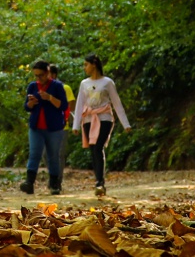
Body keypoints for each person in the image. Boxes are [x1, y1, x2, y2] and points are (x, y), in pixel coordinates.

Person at [74, 54, 131, 197]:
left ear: (94, 64)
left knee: (98, 147)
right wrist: (76, 125)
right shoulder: (84, 83)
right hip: (88, 119)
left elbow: (116, 103)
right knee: (93, 149)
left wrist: (125, 123)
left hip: (104, 118)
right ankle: (98, 181)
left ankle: (100, 182)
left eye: (86, 64)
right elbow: (80, 104)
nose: (84, 68)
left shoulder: (107, 82)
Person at [22, 60, 69, 195]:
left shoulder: (57, 86)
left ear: (48, 73)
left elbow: (63, 106)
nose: (39, 78)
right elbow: (26, 107)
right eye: (36, 75)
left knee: (53, 155)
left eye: (41, 75)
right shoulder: (32, 86)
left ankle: (54, 184)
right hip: (36, 127)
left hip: (54, 127)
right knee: (34, 154)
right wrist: (31, 103)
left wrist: (49, 98)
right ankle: (29, 183)